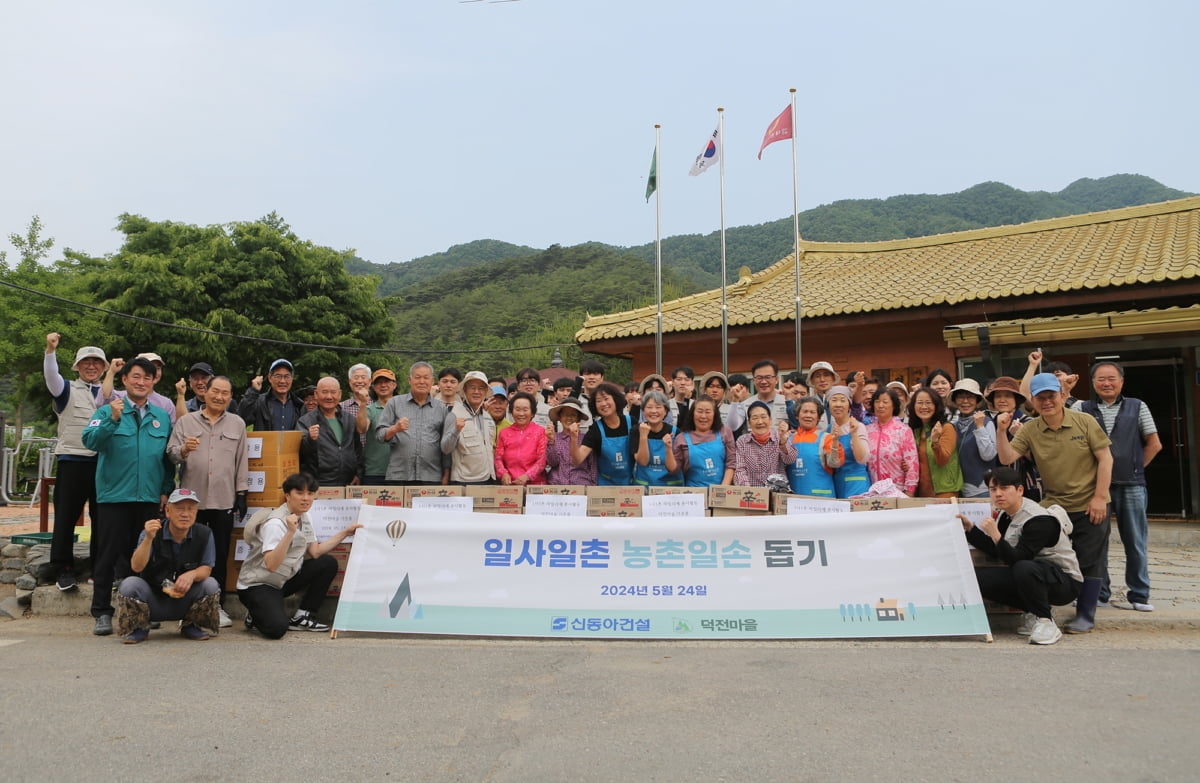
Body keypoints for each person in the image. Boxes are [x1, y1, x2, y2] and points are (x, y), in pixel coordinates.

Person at [996, 372, 1112, 634]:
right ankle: (1042, 608)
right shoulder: (1030, 428)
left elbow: (1106, 459)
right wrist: (1001, 431)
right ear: (1033, 402)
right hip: (1053, 506)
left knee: (1089, 560)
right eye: (1040, 398)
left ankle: (1085, 615)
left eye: (1051, 395)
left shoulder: (1085, 421)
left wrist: (1100, 498)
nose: (1047, 402)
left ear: (1062, 396)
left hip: (1089, 502)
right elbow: (1007, 457)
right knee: (1046, 557)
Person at [81, 356, 176, 636]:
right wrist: (112, 419)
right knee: (108, 555)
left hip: (148, 498)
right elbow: (90, 441)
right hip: (114, 497)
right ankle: (101, 611)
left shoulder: (161, 417)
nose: (141, 382)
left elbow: (166, 460)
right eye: (136, 377)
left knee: (146, 555)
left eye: (147, 378)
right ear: (124, 380)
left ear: (153, 381)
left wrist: (165, 489)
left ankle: (143, 609)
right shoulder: (107, 411)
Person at [959, 468, 1082, 646]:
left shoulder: (1039, 519)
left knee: (1024, 567)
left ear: (1020, 490)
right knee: (977, 579)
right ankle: (1034, 611)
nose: (998, 494)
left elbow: (1017, 558)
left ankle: (1046, 621)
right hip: (1033, 575)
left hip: (1064, 582)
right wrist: (970, 529)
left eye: (1004, 488)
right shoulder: (1005, 514)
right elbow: (997, 551)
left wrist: (995, 534)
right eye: (993, 489)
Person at [1076, 361, 1162, 612]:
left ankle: (1139, 594)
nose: (1106, 383)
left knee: (1135, 541)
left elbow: (1154, 444)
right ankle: (1100, 593)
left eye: (1112, 378)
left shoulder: (1137, 406)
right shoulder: (1083, 408)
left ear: (1122, 381)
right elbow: (1057, 407)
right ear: (1092, 383)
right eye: (1100, 379)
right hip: (1094, 489)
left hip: (1131, 486)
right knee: (1096, 543)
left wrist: (1137, 467)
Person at [166, 375, 248, 628]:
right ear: (205, 392)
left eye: (225, 393)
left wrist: (242, 493)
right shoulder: (186, 421)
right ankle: (185, 606)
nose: (219, 397)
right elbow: (171, 455)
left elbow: (242, 460)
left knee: (219, 556)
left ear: (230, 397)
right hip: (192, 503)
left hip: (224, 501)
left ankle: (217, 605)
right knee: (188, 556)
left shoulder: (237, 424)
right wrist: (184, 451)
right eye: (215, 391)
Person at [237, 473, 361, 638]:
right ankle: (256, 613)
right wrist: (290, 532)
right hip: (259, 583)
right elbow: (271, 565)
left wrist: (346, 533)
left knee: (326, 563)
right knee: (277, 630)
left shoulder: (305, 516)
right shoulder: (275, 523)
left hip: (283, 579)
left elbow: (315, 552)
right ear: (287, 495)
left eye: (310, 494)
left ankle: (303, 616)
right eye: (300, 493)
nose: (306, 498)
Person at [42, 333, 106, 592]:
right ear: (77, 366)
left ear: (104, 367)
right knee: (66, 518)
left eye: (97, 362)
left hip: (102, 464)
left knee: (102, 518)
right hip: (72, 461)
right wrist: (50, 350)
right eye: (86, 362)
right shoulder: (65, 388)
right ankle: (63, 569)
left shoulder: (110, 393)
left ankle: (98, 566)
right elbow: (50, 376)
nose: (91, 366)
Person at [114, 488, 221, 643]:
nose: (185, 514)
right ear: (168, 511)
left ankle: (192, 625)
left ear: (196, 512)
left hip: (185, 600)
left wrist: (191, 574)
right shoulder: (151, 530)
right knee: (129, 585)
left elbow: (206, 568)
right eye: (179, 509)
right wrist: (148, 539)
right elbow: (136, 567)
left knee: (211, 585)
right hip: (153, 599)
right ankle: (140, 627)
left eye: (190, 509)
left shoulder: (204, 533)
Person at [376, 361, 459, 485]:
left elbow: (445, 444)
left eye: (426, 378)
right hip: (399, 475)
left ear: (432, 381)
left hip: (431, 476)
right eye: (417, 377)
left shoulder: (441, 409)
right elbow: (379, 435)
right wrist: (395, 429)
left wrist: (446, 474)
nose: (421, 382)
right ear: (410, 380)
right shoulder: (394, 403)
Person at [299, 376, 363, 486]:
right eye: (324, 392)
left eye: (333, 392)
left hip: (348, 482)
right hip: (319, 482)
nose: (329, 397)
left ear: (340, 394)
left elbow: (357, 449)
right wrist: (310, 439)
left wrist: (358, 473)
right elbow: (300, 452)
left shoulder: (350, 419)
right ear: (316, 394)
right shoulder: (306, 421)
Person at [985, 376, 1041, 501]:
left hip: (1024, 486)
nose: (1002, 400)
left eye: (1008, 396)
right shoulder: (988, 423)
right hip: (996, 486)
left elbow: (1037, 458)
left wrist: (1020, 437)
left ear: (1016, 400)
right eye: (998, 396)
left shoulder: (1029, 423)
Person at [573, 382, 633, 485]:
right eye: (598, 401)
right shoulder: (595, 429)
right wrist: (573, 438)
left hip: (632, 482)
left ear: (615, 399)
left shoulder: (632, 422)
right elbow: (578, 459)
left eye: (606, 399)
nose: (603, 404)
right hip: (606, 483)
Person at [908, 387, 963, 498]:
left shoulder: (946, 428)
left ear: (936, 406)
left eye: (928, 403)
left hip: (945, 491)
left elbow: (943, 460)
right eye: (919, 403)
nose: (924, 407)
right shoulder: (915, 430)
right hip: (922, 493)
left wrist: (935, 441)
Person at [949, 378, 997, 498]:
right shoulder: (953, 426)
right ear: (955, 400)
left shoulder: (986, 422)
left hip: (983, 489)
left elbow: (989, 455)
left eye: (970, 397)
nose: (965, 401)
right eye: (960, 397)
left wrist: (980, 427)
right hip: (959, 490)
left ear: (977, 400)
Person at [866, 387, 919, 495]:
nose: (880, 405)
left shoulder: (903, 430)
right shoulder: (867, 430)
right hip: (872, 492)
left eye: (885, 402)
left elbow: (912, 465)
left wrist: (909, 492)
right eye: (877, 402)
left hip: (897, 492)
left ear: (894, 405)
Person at [784, 397, 840, 497]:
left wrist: (835, 443)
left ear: (818, 417)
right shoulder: (788, 440)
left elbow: (834, 464)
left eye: (812, 412)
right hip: (794, 500)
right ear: (797, 415)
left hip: (822, 499)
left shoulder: (827, 438)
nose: (808, 415)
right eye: (805, 411)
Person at [672, 396, 734, 487]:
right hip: (693, 493)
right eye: (699, 411)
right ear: (692, 414)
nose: (703, 416)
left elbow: (731, 463)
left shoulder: (725, 432)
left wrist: (722, 489)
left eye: (708, 412)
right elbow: (675, 469)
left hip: (721, 490)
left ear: (714, 414)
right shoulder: (681, 438)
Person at [99, 353, 178, 423]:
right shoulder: (118, 397)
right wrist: (111, 372)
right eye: (147, 366)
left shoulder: (166, 404)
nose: (154, 371)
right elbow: (104, 398)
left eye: (158, 368)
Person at [450, 371, 497, 485]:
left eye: (481, 388)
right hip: (463, 480)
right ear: (465, 390)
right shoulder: (453, 414)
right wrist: (455, 431)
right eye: (472, 387)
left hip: (487, 478)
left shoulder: (488, 417)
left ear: (486, 392)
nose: (477, 392)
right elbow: (445, 449)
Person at [734, 400, 795, 486]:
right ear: (749, 423)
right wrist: (749, 491)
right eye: (755, 418)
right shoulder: (742, 441)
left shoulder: (779, 437)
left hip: (777, 492)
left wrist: (783, 444)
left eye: (763, 417)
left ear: (770, 420)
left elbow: (790, 460)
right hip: (752, 494)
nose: (760, 422)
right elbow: (740, 470)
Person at [495, 391, 547, 486]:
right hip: (510, 485)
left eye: (525, 409)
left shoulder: (540, 432)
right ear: (511, 411)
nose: (521, 413)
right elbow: (498, 458)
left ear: (532, 413)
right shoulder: (504, 433)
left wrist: (527, 476)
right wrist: (503, 473)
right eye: (517, 409)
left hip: (535, 485)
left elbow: (542, 460)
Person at [827, 386, 870, 498]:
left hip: (857, 485)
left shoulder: (858, 426)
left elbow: (862, 459)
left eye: (842, 400)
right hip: (837, 485)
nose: (838, 404)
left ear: (849, 405)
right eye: (834, 400)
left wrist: (854, 433)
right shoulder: (827, 430)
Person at [632, 390, 681, 487]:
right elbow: (643, 461)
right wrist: (643, 436)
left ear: (665, 411)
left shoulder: (675, 432)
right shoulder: (636, 430)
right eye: (649, 407)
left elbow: (674, 468)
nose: (654, 411)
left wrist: (668, 447)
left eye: (658, 407)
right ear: (643, 410)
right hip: (645, 485)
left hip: (670, 486)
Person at [240, 359, 304, 431]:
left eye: (287, 376)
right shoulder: (260, 402)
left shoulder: (299, 405)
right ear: (270, 378)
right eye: (278, 376)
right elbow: (241, 420)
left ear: (292, 378)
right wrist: (253, 391)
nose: (282, 381)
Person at [546, 398, 596, 485]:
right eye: (565, 415)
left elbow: (593, 466)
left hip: (581, 484)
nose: (569, 418)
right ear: (560, 418)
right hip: (557, 485)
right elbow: (552, 463)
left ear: (578, 419)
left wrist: (593, 486)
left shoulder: (586, 439)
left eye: (573, 415)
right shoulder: (554, 438)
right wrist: (551, 441)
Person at [363, 369, 398, 485]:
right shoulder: (369, 410)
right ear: (373, 387)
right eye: (378, 382)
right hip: (375, 471)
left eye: (387, 381)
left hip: (401, 471)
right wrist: (363, 403)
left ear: (394, 385)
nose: (383, 385)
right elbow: (362, 428)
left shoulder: (404, 408)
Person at [340, 363, 372, 448]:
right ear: (350, 382)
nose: (360, 381)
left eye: (363, 377)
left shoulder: (377, 405)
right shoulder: (341, 407)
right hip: (350, 457)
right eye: (356, 377)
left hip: (373, 458)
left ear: (369, 381)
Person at [668, 366, 696, 431]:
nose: (683, 383)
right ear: (673, 382)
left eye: (687, 379)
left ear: (692, 382)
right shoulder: (666, 405)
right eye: (679, 379)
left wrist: (686, 399)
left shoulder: (696, 405)